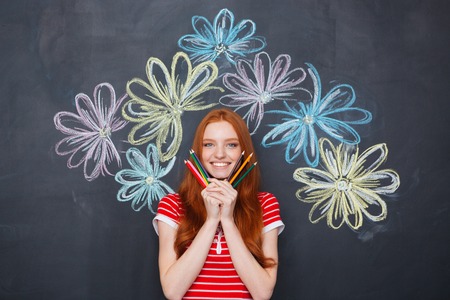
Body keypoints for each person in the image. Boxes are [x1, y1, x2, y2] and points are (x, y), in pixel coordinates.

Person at [153, 108, 284, 299]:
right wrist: (212, 220)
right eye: (209, 145)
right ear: (198, 151)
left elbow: (262, 293)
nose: (220, 154)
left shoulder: (265, 205)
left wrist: (228, 221)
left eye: (231, 145)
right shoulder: (172, 205)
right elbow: (172, 291)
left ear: (243, 151)